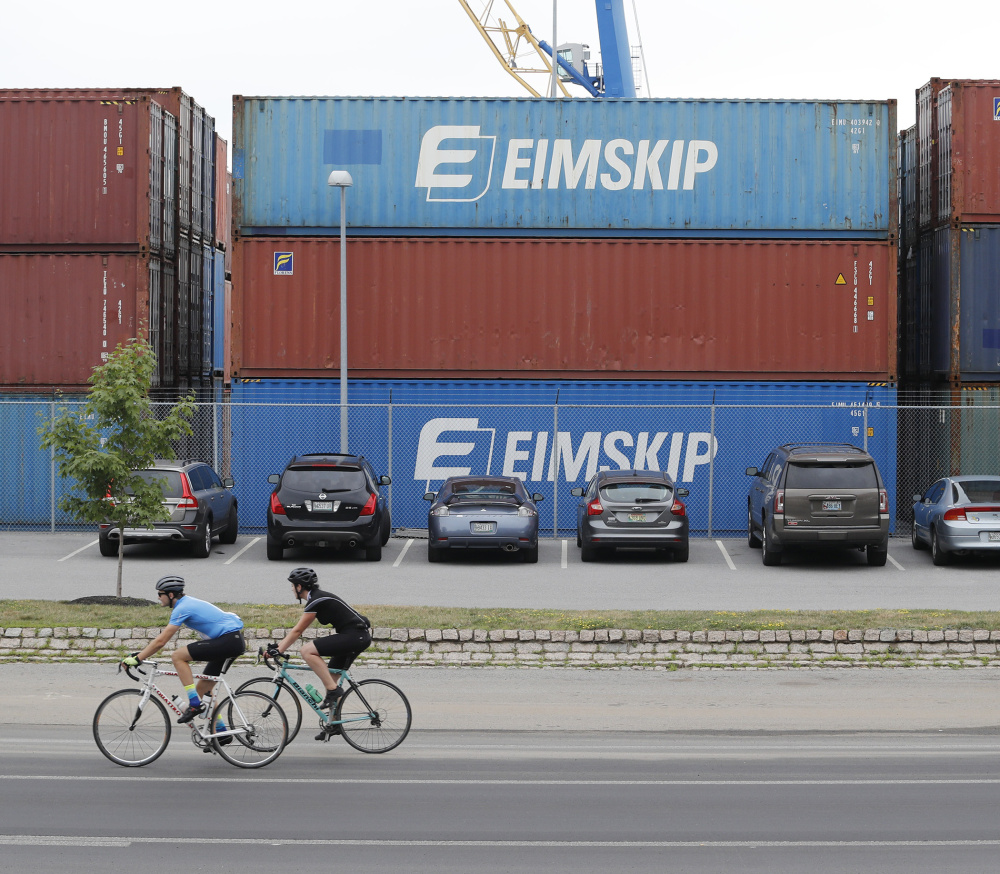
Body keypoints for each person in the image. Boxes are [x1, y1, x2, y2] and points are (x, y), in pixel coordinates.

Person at [121, 576, 246, 734]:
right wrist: (140, 654)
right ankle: (221, 733)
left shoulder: (182, 607)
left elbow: (161, 641)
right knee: (203, 689)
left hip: (228, 640)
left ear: (171, 595)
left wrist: (138, 659)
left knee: (178, 656)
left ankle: (194, 704)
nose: (158, 597)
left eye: (160, 594)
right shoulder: (185, 603)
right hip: (231, 640)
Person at [268, 567, 372, 721]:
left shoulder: (316, 600)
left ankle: (333, 691)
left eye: (292, 585)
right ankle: (334, 722)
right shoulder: (316, 598)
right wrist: (278, 647)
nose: (291, 589)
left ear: (299, 586)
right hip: (354, 635)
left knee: (307, 651)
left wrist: (280, 649)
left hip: (355, 636)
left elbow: (298, 630)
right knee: (330, 676)